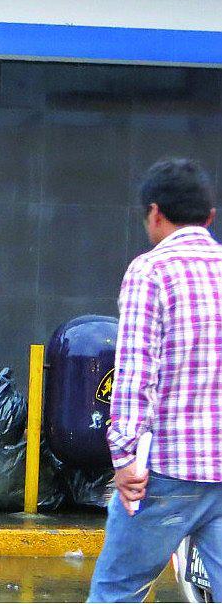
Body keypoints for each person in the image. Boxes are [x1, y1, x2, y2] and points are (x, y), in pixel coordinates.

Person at [87, 158, 222, 602]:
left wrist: (124, 458)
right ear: (209, 218)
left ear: (155, 212)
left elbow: (134, 375)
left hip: (167, 472)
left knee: (118, 590)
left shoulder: (151, 271)